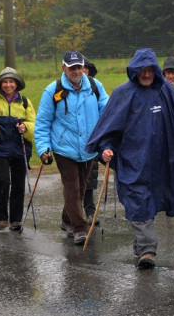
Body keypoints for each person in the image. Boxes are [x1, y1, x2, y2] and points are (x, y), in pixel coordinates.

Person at [86, 48, 174, 269]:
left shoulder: (165, 91)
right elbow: (109, 126)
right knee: (137, 201)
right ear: (134, 71)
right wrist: (105, 148)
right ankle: (147, 250)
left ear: (156, 71)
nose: (146, 74)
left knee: (150, 202)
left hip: (160, 161)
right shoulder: (123, 93)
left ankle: (141, 244)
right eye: (141, 70)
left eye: (150, 70)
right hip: (132, 160)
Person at [34, 50, 109, 245]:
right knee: (72, 187)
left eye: (79, 67)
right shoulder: (52, 90)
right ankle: (79, 228)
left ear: (84, 68)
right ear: (63, 68)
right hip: (63, 148)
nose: (76, 71)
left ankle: (67, 219)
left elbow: (107, 112)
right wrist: (44, 148)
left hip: (89, 147)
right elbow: (42, 122)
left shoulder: (94, 85)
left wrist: (106, 139)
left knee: (82, 187)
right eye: (72, 67)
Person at [0, 67, 36, 231]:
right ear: (0, 84)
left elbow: (33, 124)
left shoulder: (25, 102)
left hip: (20, 148)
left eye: (11, 81)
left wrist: (25, 127)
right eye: (5, 81)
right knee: (3, 181)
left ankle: (16, 219)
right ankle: (1, 218)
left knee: (18, 184)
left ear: (16, 84)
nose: (8, 85)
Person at [81, 56, 100, 226]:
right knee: (73, 181)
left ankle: (89, 209)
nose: (83, 71)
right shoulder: (64, 87)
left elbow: (105, 108)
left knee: (91, 176)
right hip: (72, 140)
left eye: (86, 68)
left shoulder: (96, 87)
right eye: (81, 68)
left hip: (92, 138)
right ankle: (72, 214)